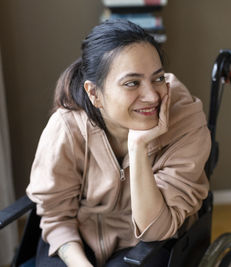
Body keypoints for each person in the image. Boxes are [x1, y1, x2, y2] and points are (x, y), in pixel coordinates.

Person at [27, 19, 211, 267]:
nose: (152, 96)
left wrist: (138, 148)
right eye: (132, 83)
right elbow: (56, 215)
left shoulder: (185, 120)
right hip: (77, 240)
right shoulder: (67, 128)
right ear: (94, 93)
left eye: (157, 79)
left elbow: (156, 230)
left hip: (149, 243)